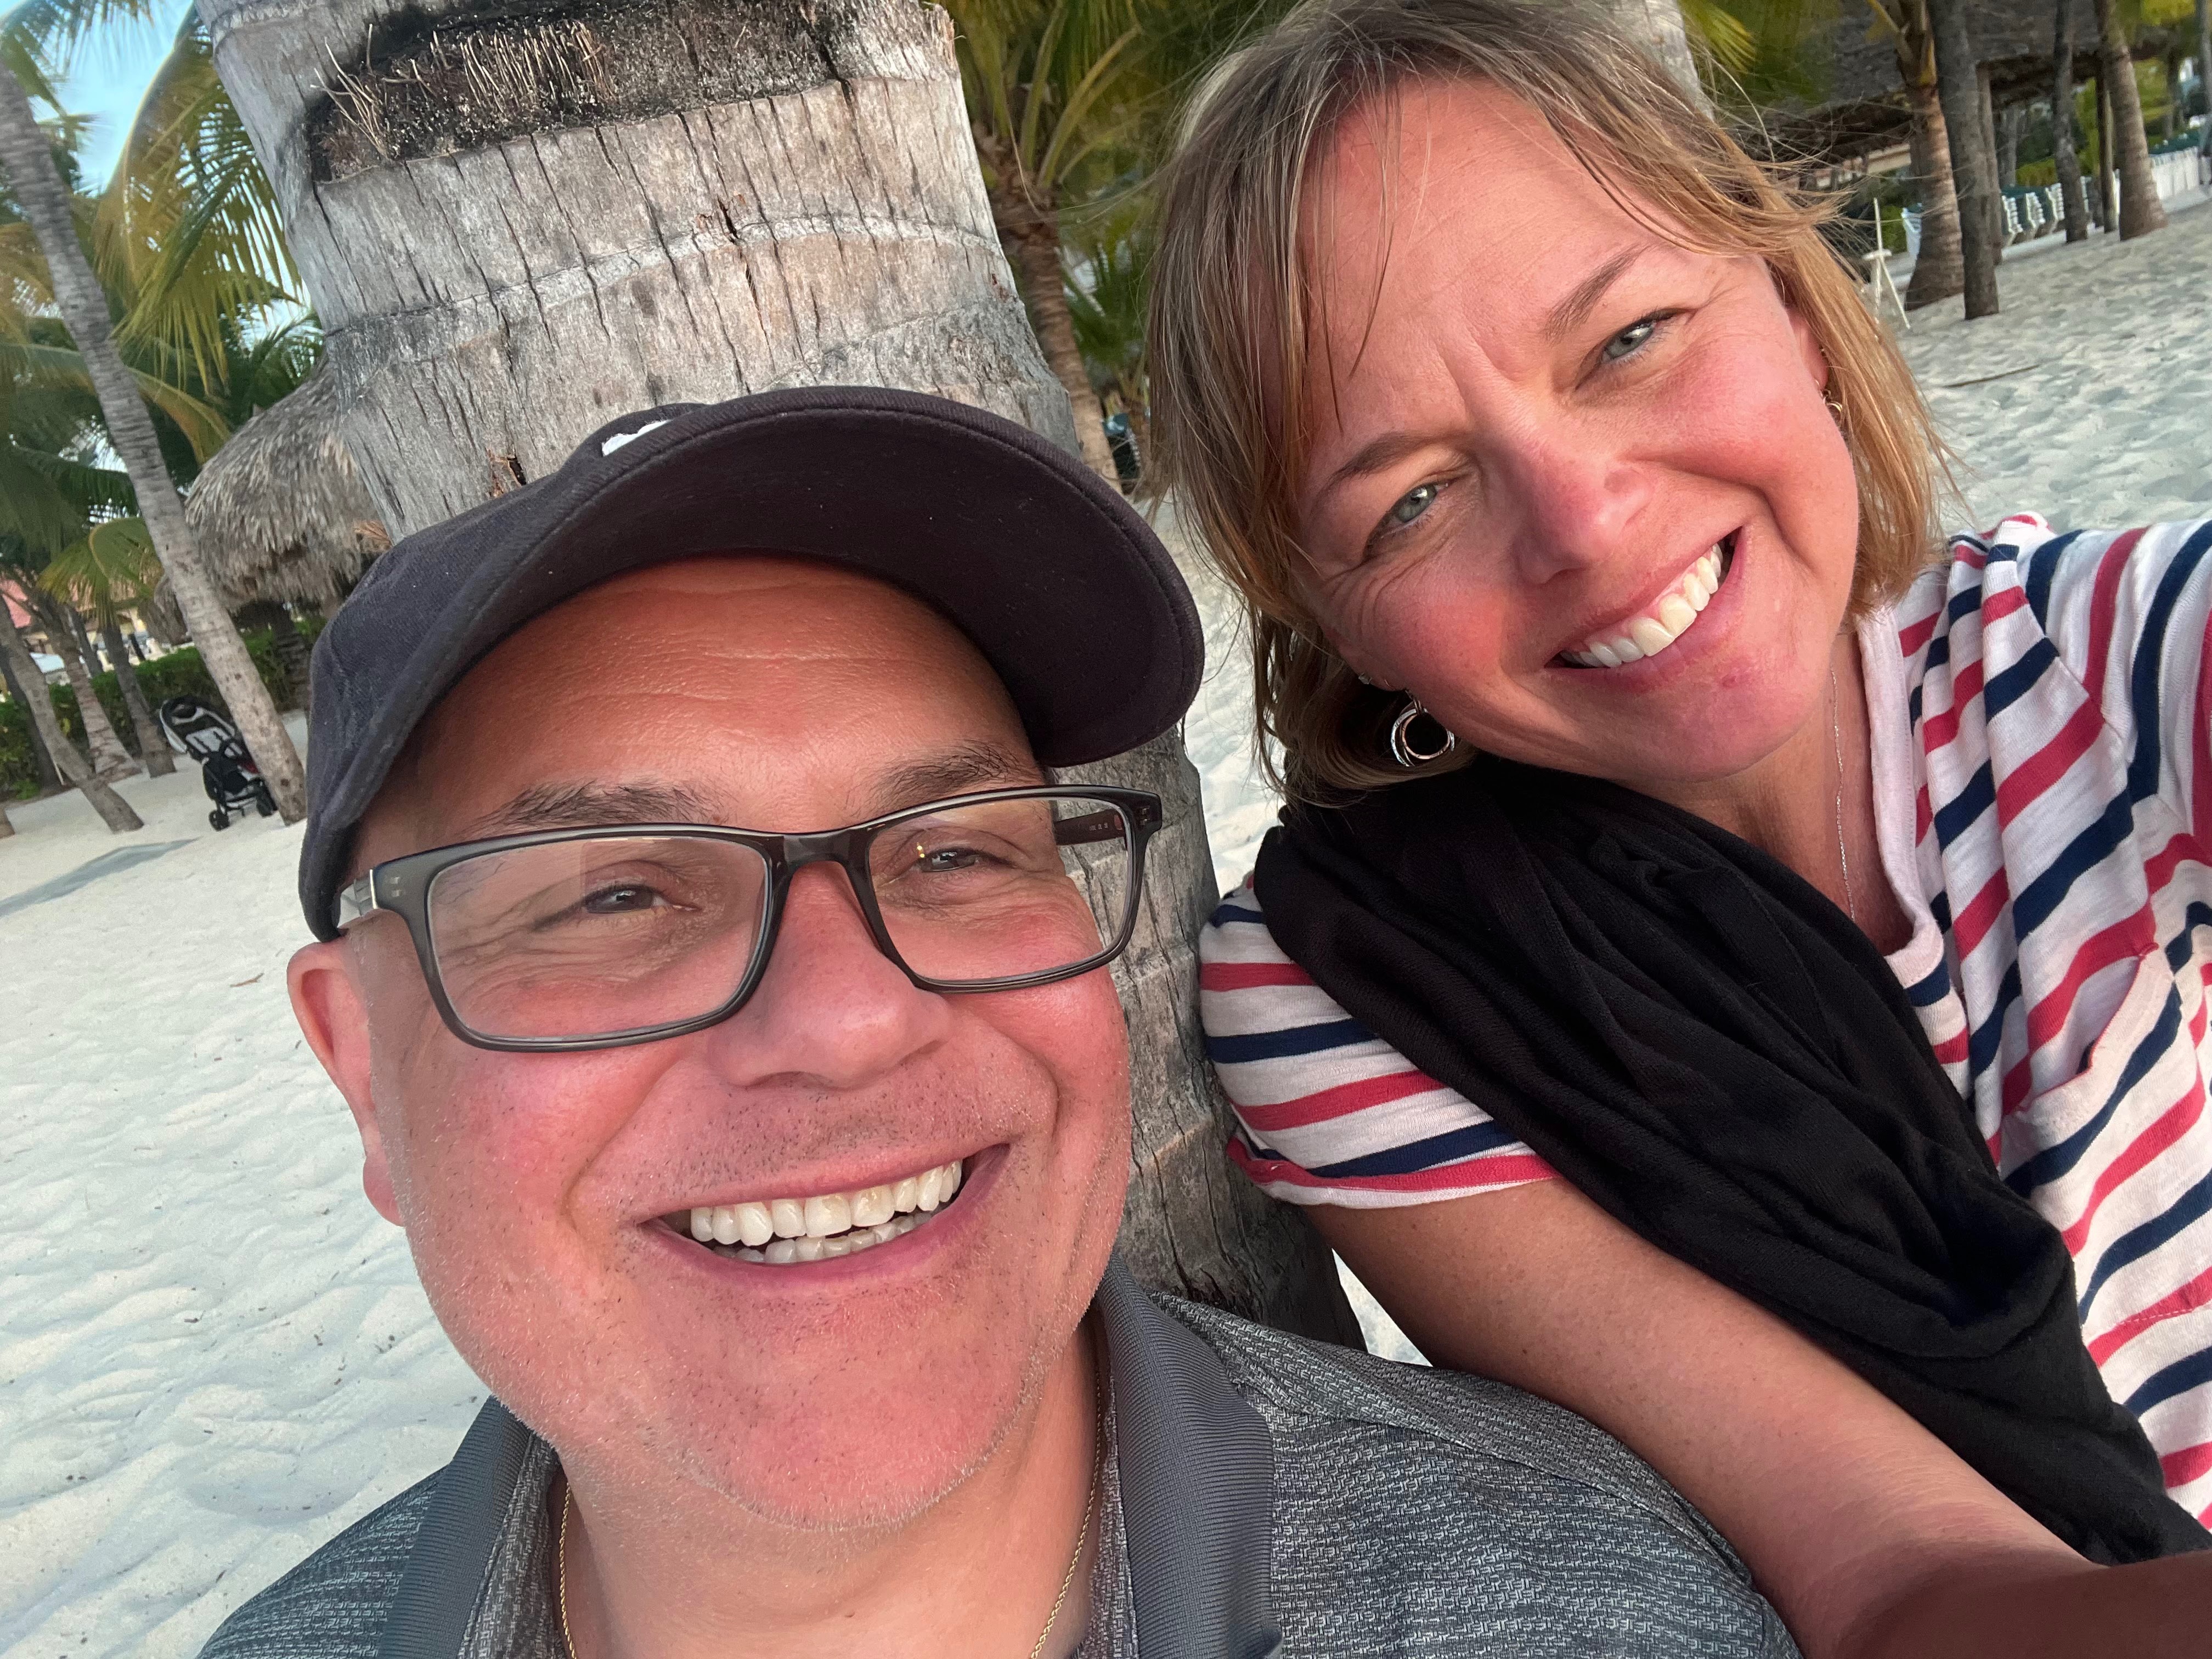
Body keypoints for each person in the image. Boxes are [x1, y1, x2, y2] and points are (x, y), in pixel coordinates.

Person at [198, 388, 1803, 1659]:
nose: (851, 1018)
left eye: (954, 853)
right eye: (617, 894)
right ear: (364, 1070)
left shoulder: (1595, 1606)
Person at [1149, 0, 2212, 1651]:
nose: (1583, 523)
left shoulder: (2118, 663)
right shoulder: (1362, 993)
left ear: (1793, 303)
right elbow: (1897, 1577)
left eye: (1629, 339)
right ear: (1334, 620)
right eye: (1412, 497)